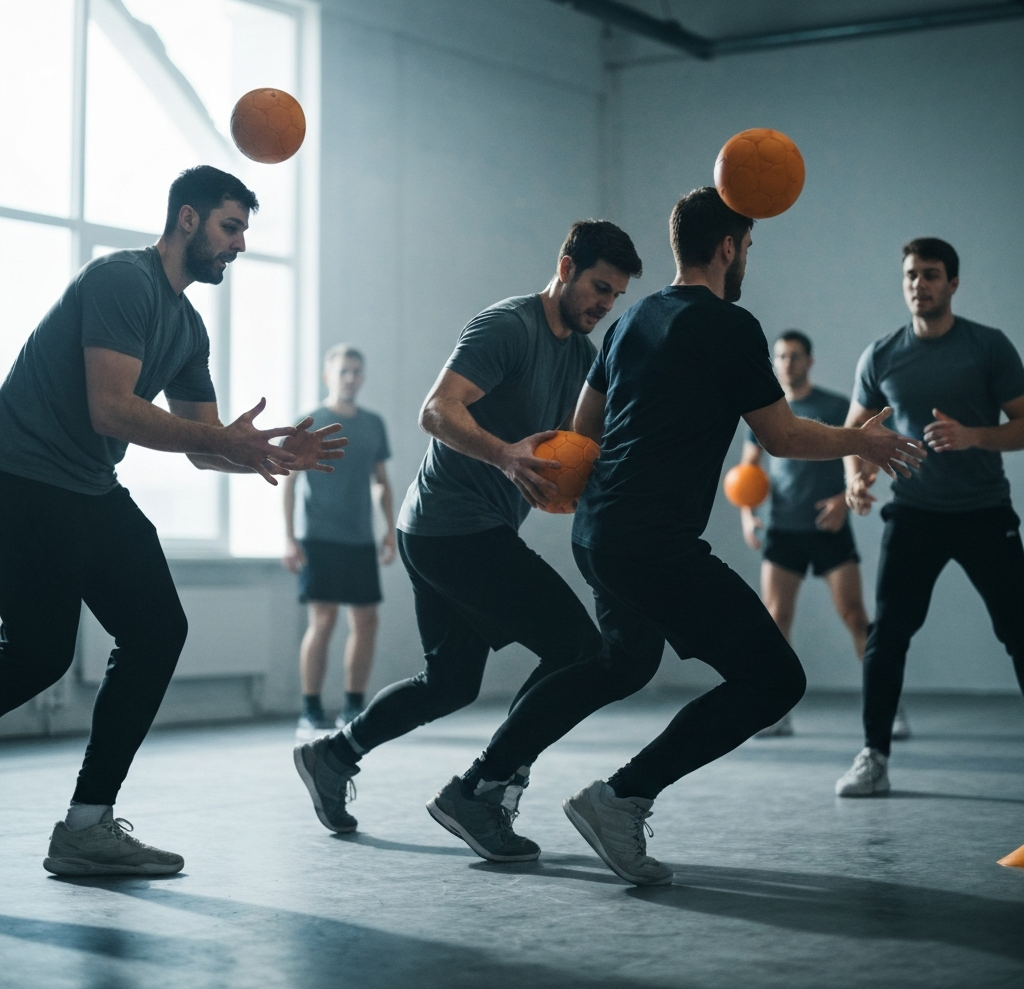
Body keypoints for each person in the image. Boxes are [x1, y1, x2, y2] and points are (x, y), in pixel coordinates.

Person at [430, 187, 924, 885]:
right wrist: (858, 443)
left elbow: (584, 431)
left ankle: (477, 787)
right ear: (728, 246)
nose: (746, 258)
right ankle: (621, 798)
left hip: (599, 533)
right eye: (747, 246)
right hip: (651, 541)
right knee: (774, 679)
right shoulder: (731, 325)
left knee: (624, 662)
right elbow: (779, 437)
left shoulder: (629, 322)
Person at [0, 166, 344, 877]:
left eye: (245, 231)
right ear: (187, 221)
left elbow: (202, 443)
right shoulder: (123, 281)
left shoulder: (187, 328)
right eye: (230, 227)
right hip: (21, 477)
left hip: (88, 485)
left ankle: (87, 827)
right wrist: (227, 442)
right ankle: (86, 828)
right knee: (39, 654)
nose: (240, 245)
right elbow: (112, 408)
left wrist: (267, 451)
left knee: (158, 629)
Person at [293, 220, 643, 851]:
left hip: (440, 530)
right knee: (581, 651)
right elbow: (436, 409)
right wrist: (505, 455)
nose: (604, 303)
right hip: (452, 526)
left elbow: (583, 448)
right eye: (597, 286)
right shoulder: (509, 326)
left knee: (451, 682)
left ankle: (333, 756)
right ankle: (481, 790)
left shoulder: (580, 358)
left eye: (615, 295)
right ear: (566, 267)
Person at [836, 238, 1024, 796]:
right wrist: (855, 476)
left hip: (984, 512)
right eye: (912, 275)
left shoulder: (988, 348)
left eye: (932, 274)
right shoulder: (881, 354)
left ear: (953, 284)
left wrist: (974, 436)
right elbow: (855, 431)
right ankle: (873, 756)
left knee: (1019, 632)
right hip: (914, 514)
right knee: (886, 635)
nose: (920, 284)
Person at [739, 330, 910, 740]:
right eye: (780, 357)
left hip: (829, 529)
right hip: (783, 528)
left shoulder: (834, 405)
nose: (787, 363)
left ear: (809, 361)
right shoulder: (765, 413)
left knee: (856, 617)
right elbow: (749, 471)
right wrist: (748, 515)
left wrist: (841, 497)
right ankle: (776, 711)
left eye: (795, 356)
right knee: (776, 618)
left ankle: (888, 708)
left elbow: (862, 456)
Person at [284, 344, 396, 739]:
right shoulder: (310, 422)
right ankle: (310, 710)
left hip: (361, 538)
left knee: (366, 621)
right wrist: (289, 539)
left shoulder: (373, 424)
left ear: (362, 377)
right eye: (343, 371)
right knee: (324, 620)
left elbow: (381, 482)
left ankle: (352, 706)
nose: (350, 377)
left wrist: (388, 530)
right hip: (319, 537)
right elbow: (290, 483)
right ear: (328, 376)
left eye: (356, 371)